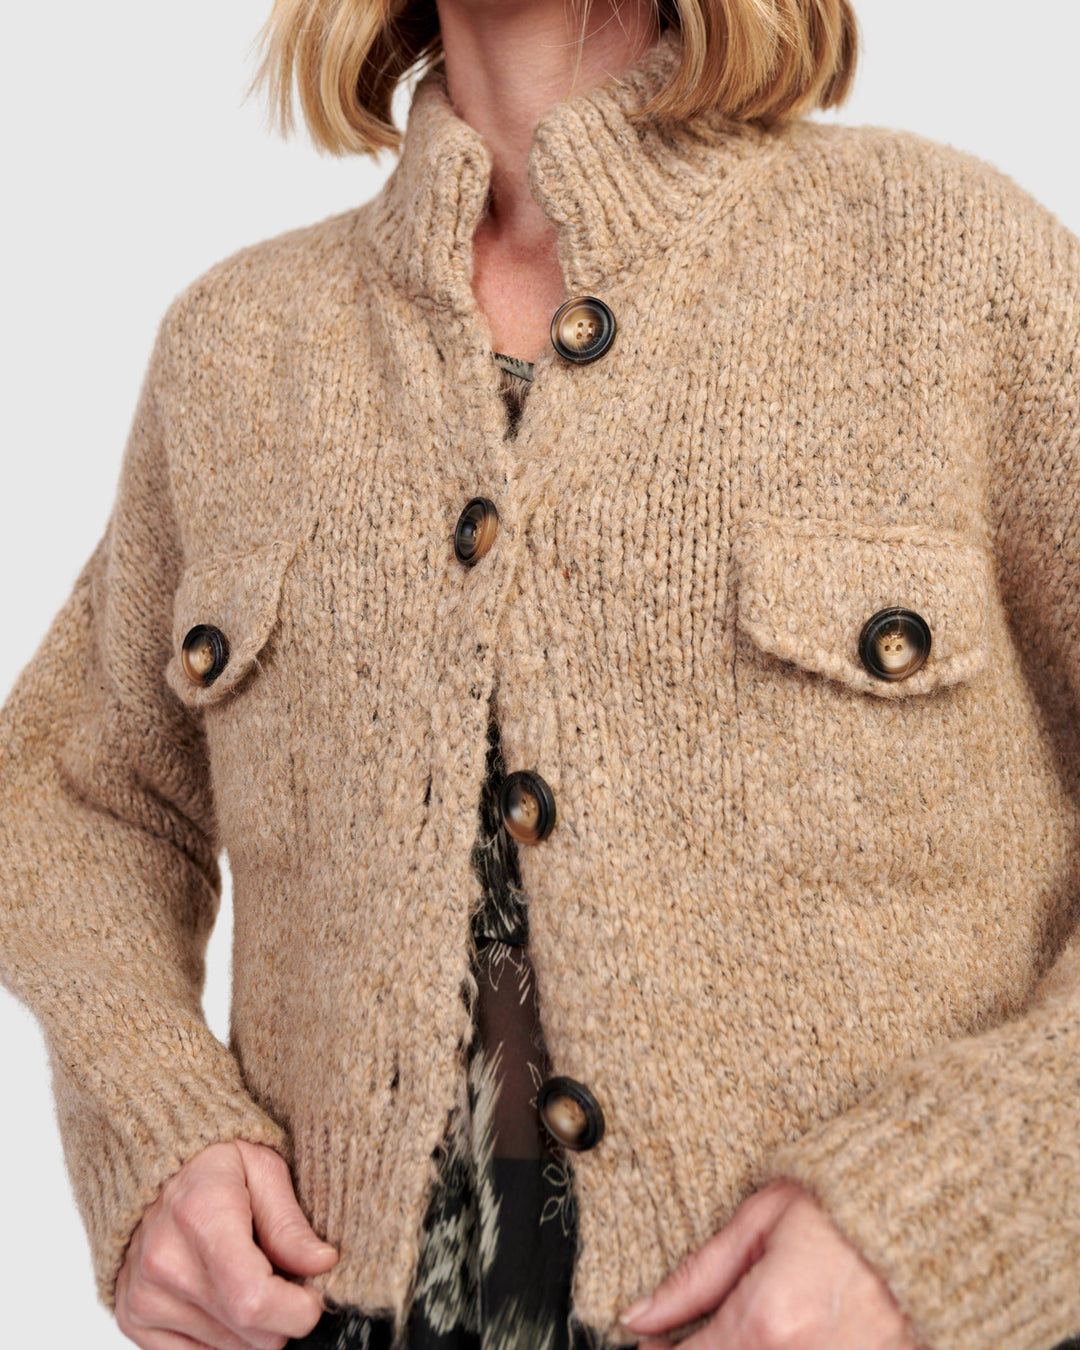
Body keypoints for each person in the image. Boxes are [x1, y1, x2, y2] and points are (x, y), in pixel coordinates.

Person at [1, 0, 1079, 1347]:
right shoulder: (240, 345)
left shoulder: (950, 265)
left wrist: (958, 1210)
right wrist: (158, 1129)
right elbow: (76, 796)